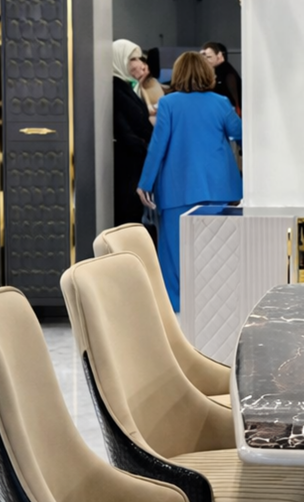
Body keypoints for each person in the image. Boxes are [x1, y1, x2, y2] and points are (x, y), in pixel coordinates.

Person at [137, 52, 242, 313]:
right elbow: (241, 134)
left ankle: (177, 309)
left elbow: (158, 146)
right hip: (219, 189)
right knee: (216, 253)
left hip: (178, 189)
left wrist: (145, 182)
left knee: (174, 254)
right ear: (207, 73)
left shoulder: (168, 103)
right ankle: (214, 307)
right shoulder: (220, 103)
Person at [112, 39, 152, 227]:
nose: (139, 64)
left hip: (133, 162)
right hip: (128, 165)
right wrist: (146, 147)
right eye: (133, 59)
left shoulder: (125, 86)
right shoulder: (115, 88)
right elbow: (123, 129)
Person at [201, 41, 242, 114]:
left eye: (209, 57)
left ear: (219, 56)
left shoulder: (225, 73)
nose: (205, 61)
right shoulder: (225, 71)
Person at [131, 52, 165, 124]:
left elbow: (166, 88)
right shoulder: (137, 86)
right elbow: (150, 109)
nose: (144, 67)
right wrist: (142, 78)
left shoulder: (153, 80)